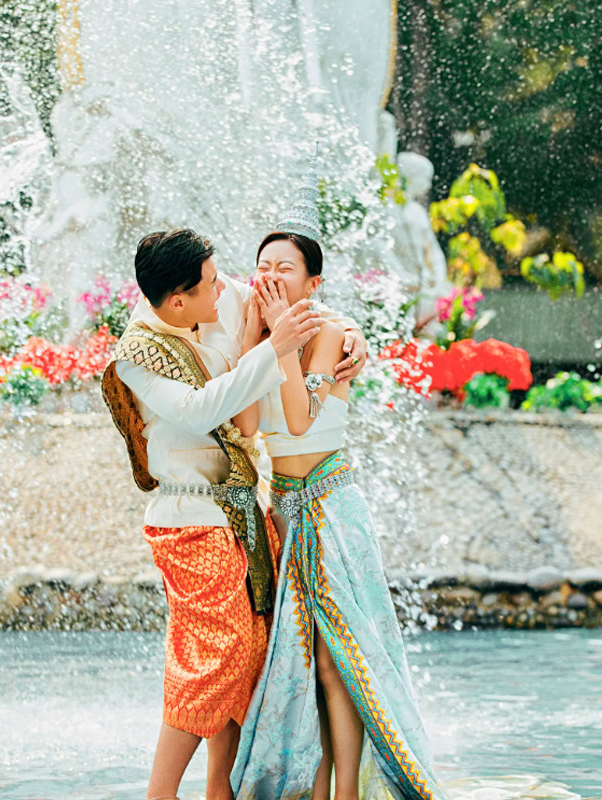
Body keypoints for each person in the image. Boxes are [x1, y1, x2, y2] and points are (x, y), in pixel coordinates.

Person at [101, 227, 367, 800]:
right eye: (213, 282)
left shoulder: (215, 302)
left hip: (245, 517)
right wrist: (272, 350)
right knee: (215, 659)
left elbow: (294, 296)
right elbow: (199, 411)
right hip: (190, 521)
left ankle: (222, 792)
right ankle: (159, 794)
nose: (229, 288)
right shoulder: (137, 357)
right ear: (179, 299)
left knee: (250, 664)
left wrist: (351, 331)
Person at [229, 166, 443, 799]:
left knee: (335, 660)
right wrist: (254, 338)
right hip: (284, 512)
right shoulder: (262, 335)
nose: (270, 275)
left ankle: (345, 790)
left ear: (312, 281)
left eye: (285, 267)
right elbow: (246, 424)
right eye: (263, 264)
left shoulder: (328, 333)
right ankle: (314, 785)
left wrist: (284, 342)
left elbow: (298, 418)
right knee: (295, 662)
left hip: (330, 509)